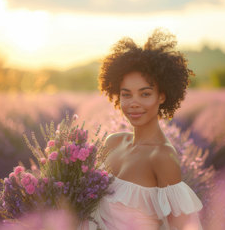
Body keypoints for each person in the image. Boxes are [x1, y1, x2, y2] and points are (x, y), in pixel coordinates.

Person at [80, 29, 203, 230]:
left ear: (161, 96)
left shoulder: (162, 156)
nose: (134, 103)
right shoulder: (113, 142)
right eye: (126, 95)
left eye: (145, 94)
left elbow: (183, 227)